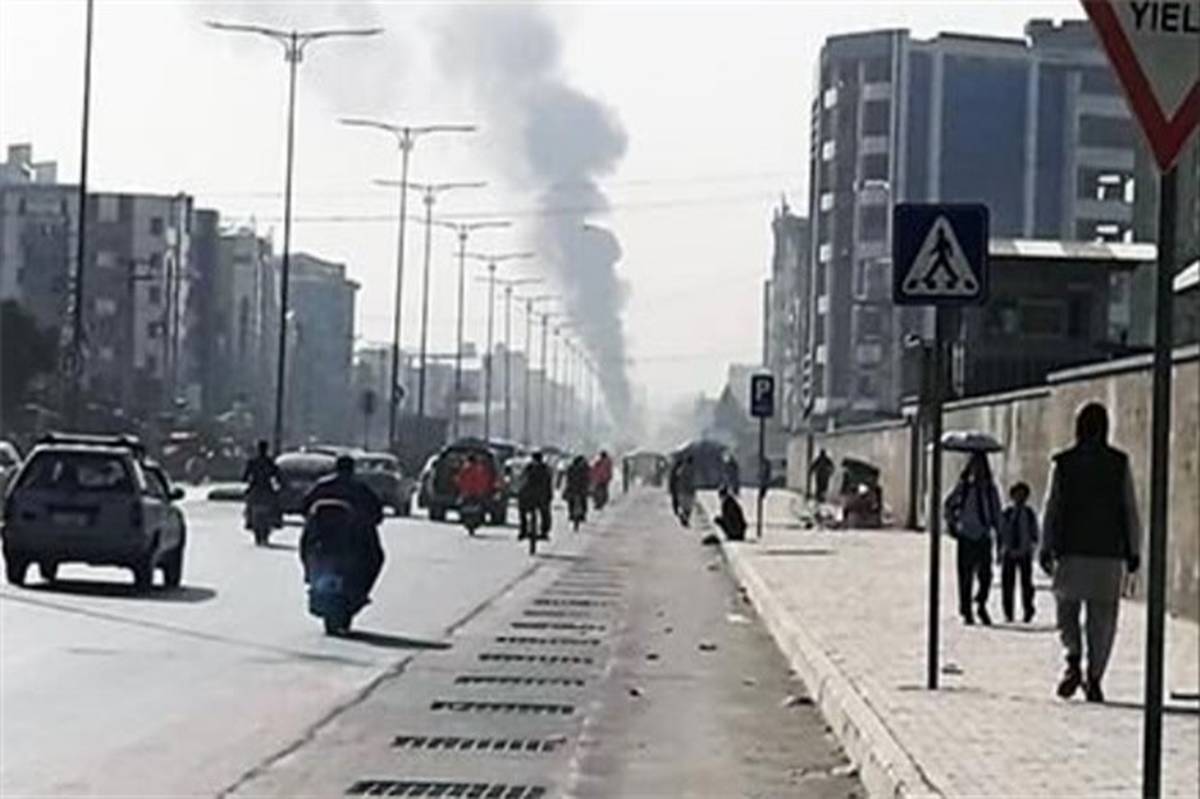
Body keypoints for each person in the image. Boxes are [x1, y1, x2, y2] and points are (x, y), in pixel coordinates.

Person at [1039, 402, 1140, 703]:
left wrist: (1045, 545)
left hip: (1070, 550)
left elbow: (1052, 506)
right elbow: (1129, 508)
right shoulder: (1118, 463)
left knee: (1067, 610)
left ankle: (1072, 657)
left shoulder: (1064, 463)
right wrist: (1133, 549)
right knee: (1103, 620)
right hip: (1107, 554)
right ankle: (1094, 675)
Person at [300, 455, 385, 600]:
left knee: (305, 545)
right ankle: (363, 590)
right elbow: (376, 511)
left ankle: (308, 573)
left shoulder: (322, 486)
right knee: (377, 557)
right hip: (346, 540)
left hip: (328, 539)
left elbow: (304, 505)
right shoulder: (360, 488)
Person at [944, 452, 1001, 626]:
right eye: (975, 466)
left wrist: (1000, 534)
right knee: (965, 575)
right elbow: (948, 505)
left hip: (983, 535)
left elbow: (996, 513)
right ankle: (966, 609)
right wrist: (952, 522)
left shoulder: (990, 490)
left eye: (981, 467)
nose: (978, 471)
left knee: (986, 576)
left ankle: (981, 602)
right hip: (966, 535)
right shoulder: (963, 488)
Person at [998, 482, 1039, 623]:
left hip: (1024, 552)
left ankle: (1028, 609)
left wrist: (1033, 546)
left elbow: (1034, 532)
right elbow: (1001, 531)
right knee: (1007, 584)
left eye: (1022, 495)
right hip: (1009, 552)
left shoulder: (1029, 513)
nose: (1019, 498)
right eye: (1017, 494)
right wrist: (1000, 549)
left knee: (1026, 584)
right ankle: (1008, 612)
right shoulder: (1007, 513)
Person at [242, 440, 281, 529]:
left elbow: (245, 476)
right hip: (265, 486)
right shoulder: (269, 462)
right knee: (274, 501)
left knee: (250, 501)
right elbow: (277, 475)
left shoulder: (254, 462)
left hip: (257, 486)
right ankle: (276, 520)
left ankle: (249, 520)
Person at [519, 451, 554, 540]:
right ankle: (544, 531)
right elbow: (549, 483)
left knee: (523, 511)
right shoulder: (545, 469)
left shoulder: (529, 468)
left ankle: (523, 530)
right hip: (540, 496)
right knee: (545, 512)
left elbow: (522, 480)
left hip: (530, 496)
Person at [564, 454, 591, 524]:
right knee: (572, 502)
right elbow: (568, 478)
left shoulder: (584, 468)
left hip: (580, 488)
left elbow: (588, 477)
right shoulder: (572, 468)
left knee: (582, 501)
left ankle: (581, 514)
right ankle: (572, 514)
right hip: (574, 488)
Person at [674, 454, 697, 527]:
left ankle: (684, 518)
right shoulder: (692, 470)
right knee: (689, 507)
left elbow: (677, 479)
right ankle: (685, 519)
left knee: (684, 506)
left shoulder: (681, 469)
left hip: (682, 491)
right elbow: (693, 481)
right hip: (689, 491)